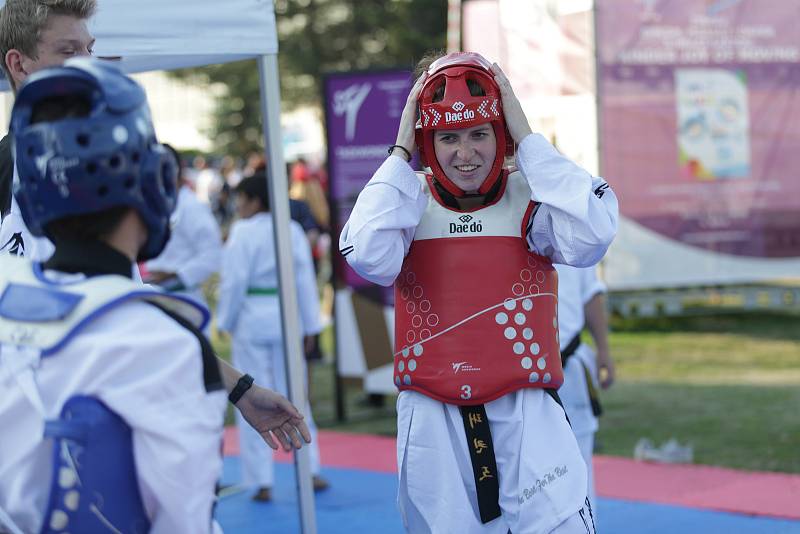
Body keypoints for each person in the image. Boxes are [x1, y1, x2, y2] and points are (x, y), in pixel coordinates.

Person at [0, 58, 311, 534]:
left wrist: (241, 389)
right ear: (152, 181)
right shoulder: (159, 343)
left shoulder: (9, 291)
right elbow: (181, 518)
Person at [340, 51, 618, 533]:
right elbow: (366, 253)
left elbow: (593, 233)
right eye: (447, 137)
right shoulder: (408, 204)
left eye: (478, 134)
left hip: (527, 410)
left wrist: (527, 137)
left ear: (500, 133)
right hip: (433, 418)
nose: (464, 153)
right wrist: (401, 149)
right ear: (428, 139)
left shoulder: (531, 201)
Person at [217, 173, 329, 502]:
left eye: (242, 199)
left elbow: (234, 281)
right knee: (296, 393)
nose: (238, 206)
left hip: (252, 318)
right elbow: (306, 281)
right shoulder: (290, 229)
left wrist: (226, 318)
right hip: (287, 316)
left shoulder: (243, 233)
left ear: (256, 201)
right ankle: (311, 469)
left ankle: (261, 480)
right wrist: (311, 326)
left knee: (250, 393)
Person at [0, 0, 97, 258]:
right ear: (19, 65)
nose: (89, 65)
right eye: (69, 51)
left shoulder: (101, 157)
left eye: (90, 49)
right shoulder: (9, 166)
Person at [554, 265, 616, 516]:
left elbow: (590, 291)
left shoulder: (572, 230)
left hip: (569, 363)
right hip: (519, 374)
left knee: (580, 465)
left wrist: (603, 349)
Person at [144, 144, 223, 309]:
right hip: (152, 297)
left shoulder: (192, 207)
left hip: (183, 298)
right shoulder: (152, 204)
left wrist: (175, 274)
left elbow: (212, 254)